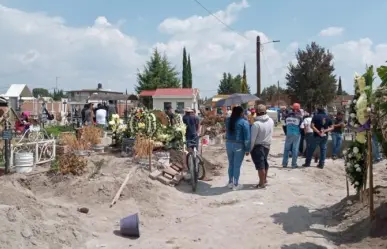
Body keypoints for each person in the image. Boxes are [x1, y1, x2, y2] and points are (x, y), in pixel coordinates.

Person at [225, 106, 250, 191]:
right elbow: (247, 138)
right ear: (241, 113)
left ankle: (230, 182)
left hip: (228, 144)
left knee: (231, 163)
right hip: (239, 145)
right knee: (237, 165)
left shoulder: (228, 120)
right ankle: (236, 184)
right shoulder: (244, 122)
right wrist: (247, 149)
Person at [250, 104, 274, 188]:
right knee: (264, 163)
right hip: (267, 145)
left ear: (256, 112)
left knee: (260, 166)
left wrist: (249, 149)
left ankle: (261, 184)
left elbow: (252, 139)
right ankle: (264, 180)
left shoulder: (256, 124)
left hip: (258, 146)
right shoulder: (270, 120)